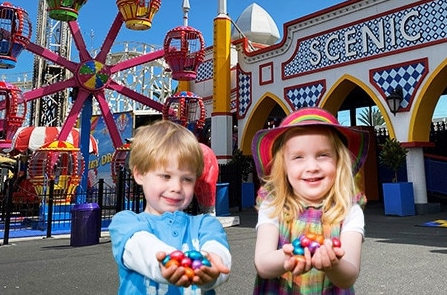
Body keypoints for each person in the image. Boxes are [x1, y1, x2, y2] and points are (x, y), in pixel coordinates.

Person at [251, 107, 369, 294]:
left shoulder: (348, 210)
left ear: (339, 162)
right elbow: (263, 264)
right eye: (298, 157)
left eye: (323, 155)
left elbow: (349, 275)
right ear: (284, 167)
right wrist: (290, 256)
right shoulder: (273, 206)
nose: (312, 167)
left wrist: (333, 265)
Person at [109, 120, 231, 295]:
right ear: (140, 174)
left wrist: (211, 269)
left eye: (187, 179)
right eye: (166, 176)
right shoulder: (125, 223)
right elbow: (141, 247)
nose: (176, 187)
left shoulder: (205, 224)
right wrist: (171, 262)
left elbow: (218, 252)